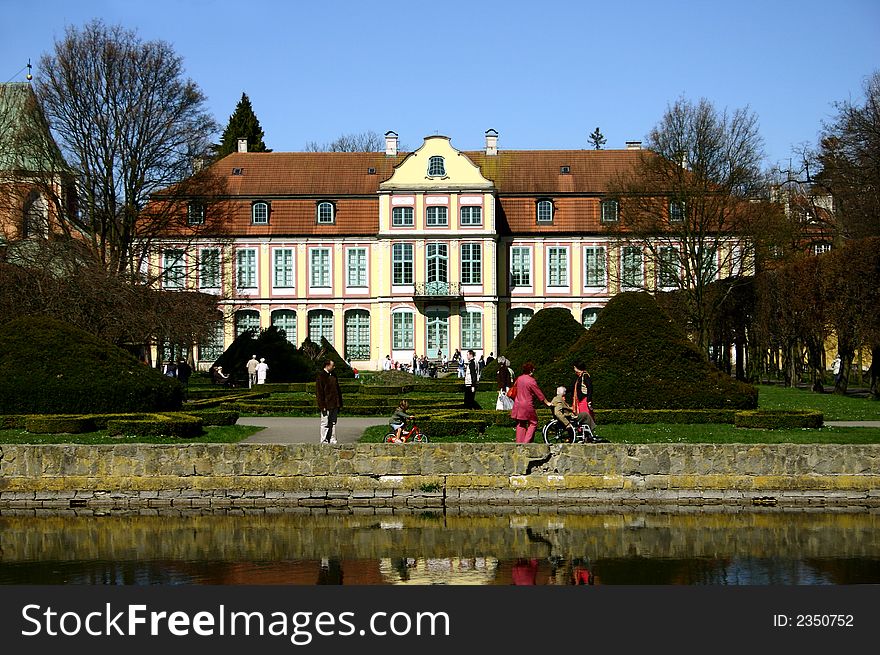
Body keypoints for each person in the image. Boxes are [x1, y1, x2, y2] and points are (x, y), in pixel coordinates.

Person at [510, 361, 552, 443]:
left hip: (518, 404)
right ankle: (526, 442)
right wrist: (547, 403)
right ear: (531, 371)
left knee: (521, 423)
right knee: (533, 422)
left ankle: (519, 443)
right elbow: (539, 394)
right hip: (527, 405)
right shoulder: (531, 381)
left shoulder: (519, 378)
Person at [316, 359, 343, 444]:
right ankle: (324, 440)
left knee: (333, 422)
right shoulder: (321, 376)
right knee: (325, 423)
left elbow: (337, 390)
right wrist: (322, 406)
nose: (334, 367)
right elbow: (319, 392)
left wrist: (339, 403)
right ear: (327, 366)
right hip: (326, 404)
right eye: (332, 365)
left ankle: (332, 439)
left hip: (334, 403)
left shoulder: (333, 375)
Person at [571, 361, 598, 436]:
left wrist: (589, 400)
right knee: (581, 416)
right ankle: (582, 434)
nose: (574, 369)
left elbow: (590, 388)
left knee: (585, 417)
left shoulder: (585, 376)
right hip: (580, 401)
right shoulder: (579, 376)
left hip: (584, 400)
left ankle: (587, 434)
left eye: (574, 367)